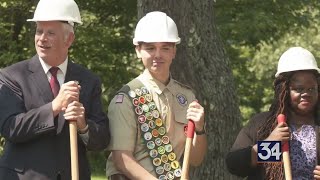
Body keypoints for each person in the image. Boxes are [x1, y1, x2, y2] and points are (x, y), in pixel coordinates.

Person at [0, 0, 110, 179]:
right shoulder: (12, 76)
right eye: (39, 31)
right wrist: (54, 107)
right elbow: (10, 128)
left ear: (69, 39)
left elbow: (102, 140)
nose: (42, 38)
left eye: (50, 33)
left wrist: (83, 125)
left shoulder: (89, 81)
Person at [105, 11, 207, 180]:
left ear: (174, 51)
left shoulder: (186, 96)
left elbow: (196, 159)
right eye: (150, 48)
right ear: (138, 50)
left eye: (165, 48)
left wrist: (200, 129)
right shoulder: (127, 98)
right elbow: (122, 159)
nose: (158, 55)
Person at [226, 47, 320, 179]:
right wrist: (271, 145)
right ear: (284, 90)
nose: (306, 94)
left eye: (311, 88)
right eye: (299, 89)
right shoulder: (263, 124)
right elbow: (234, 165)